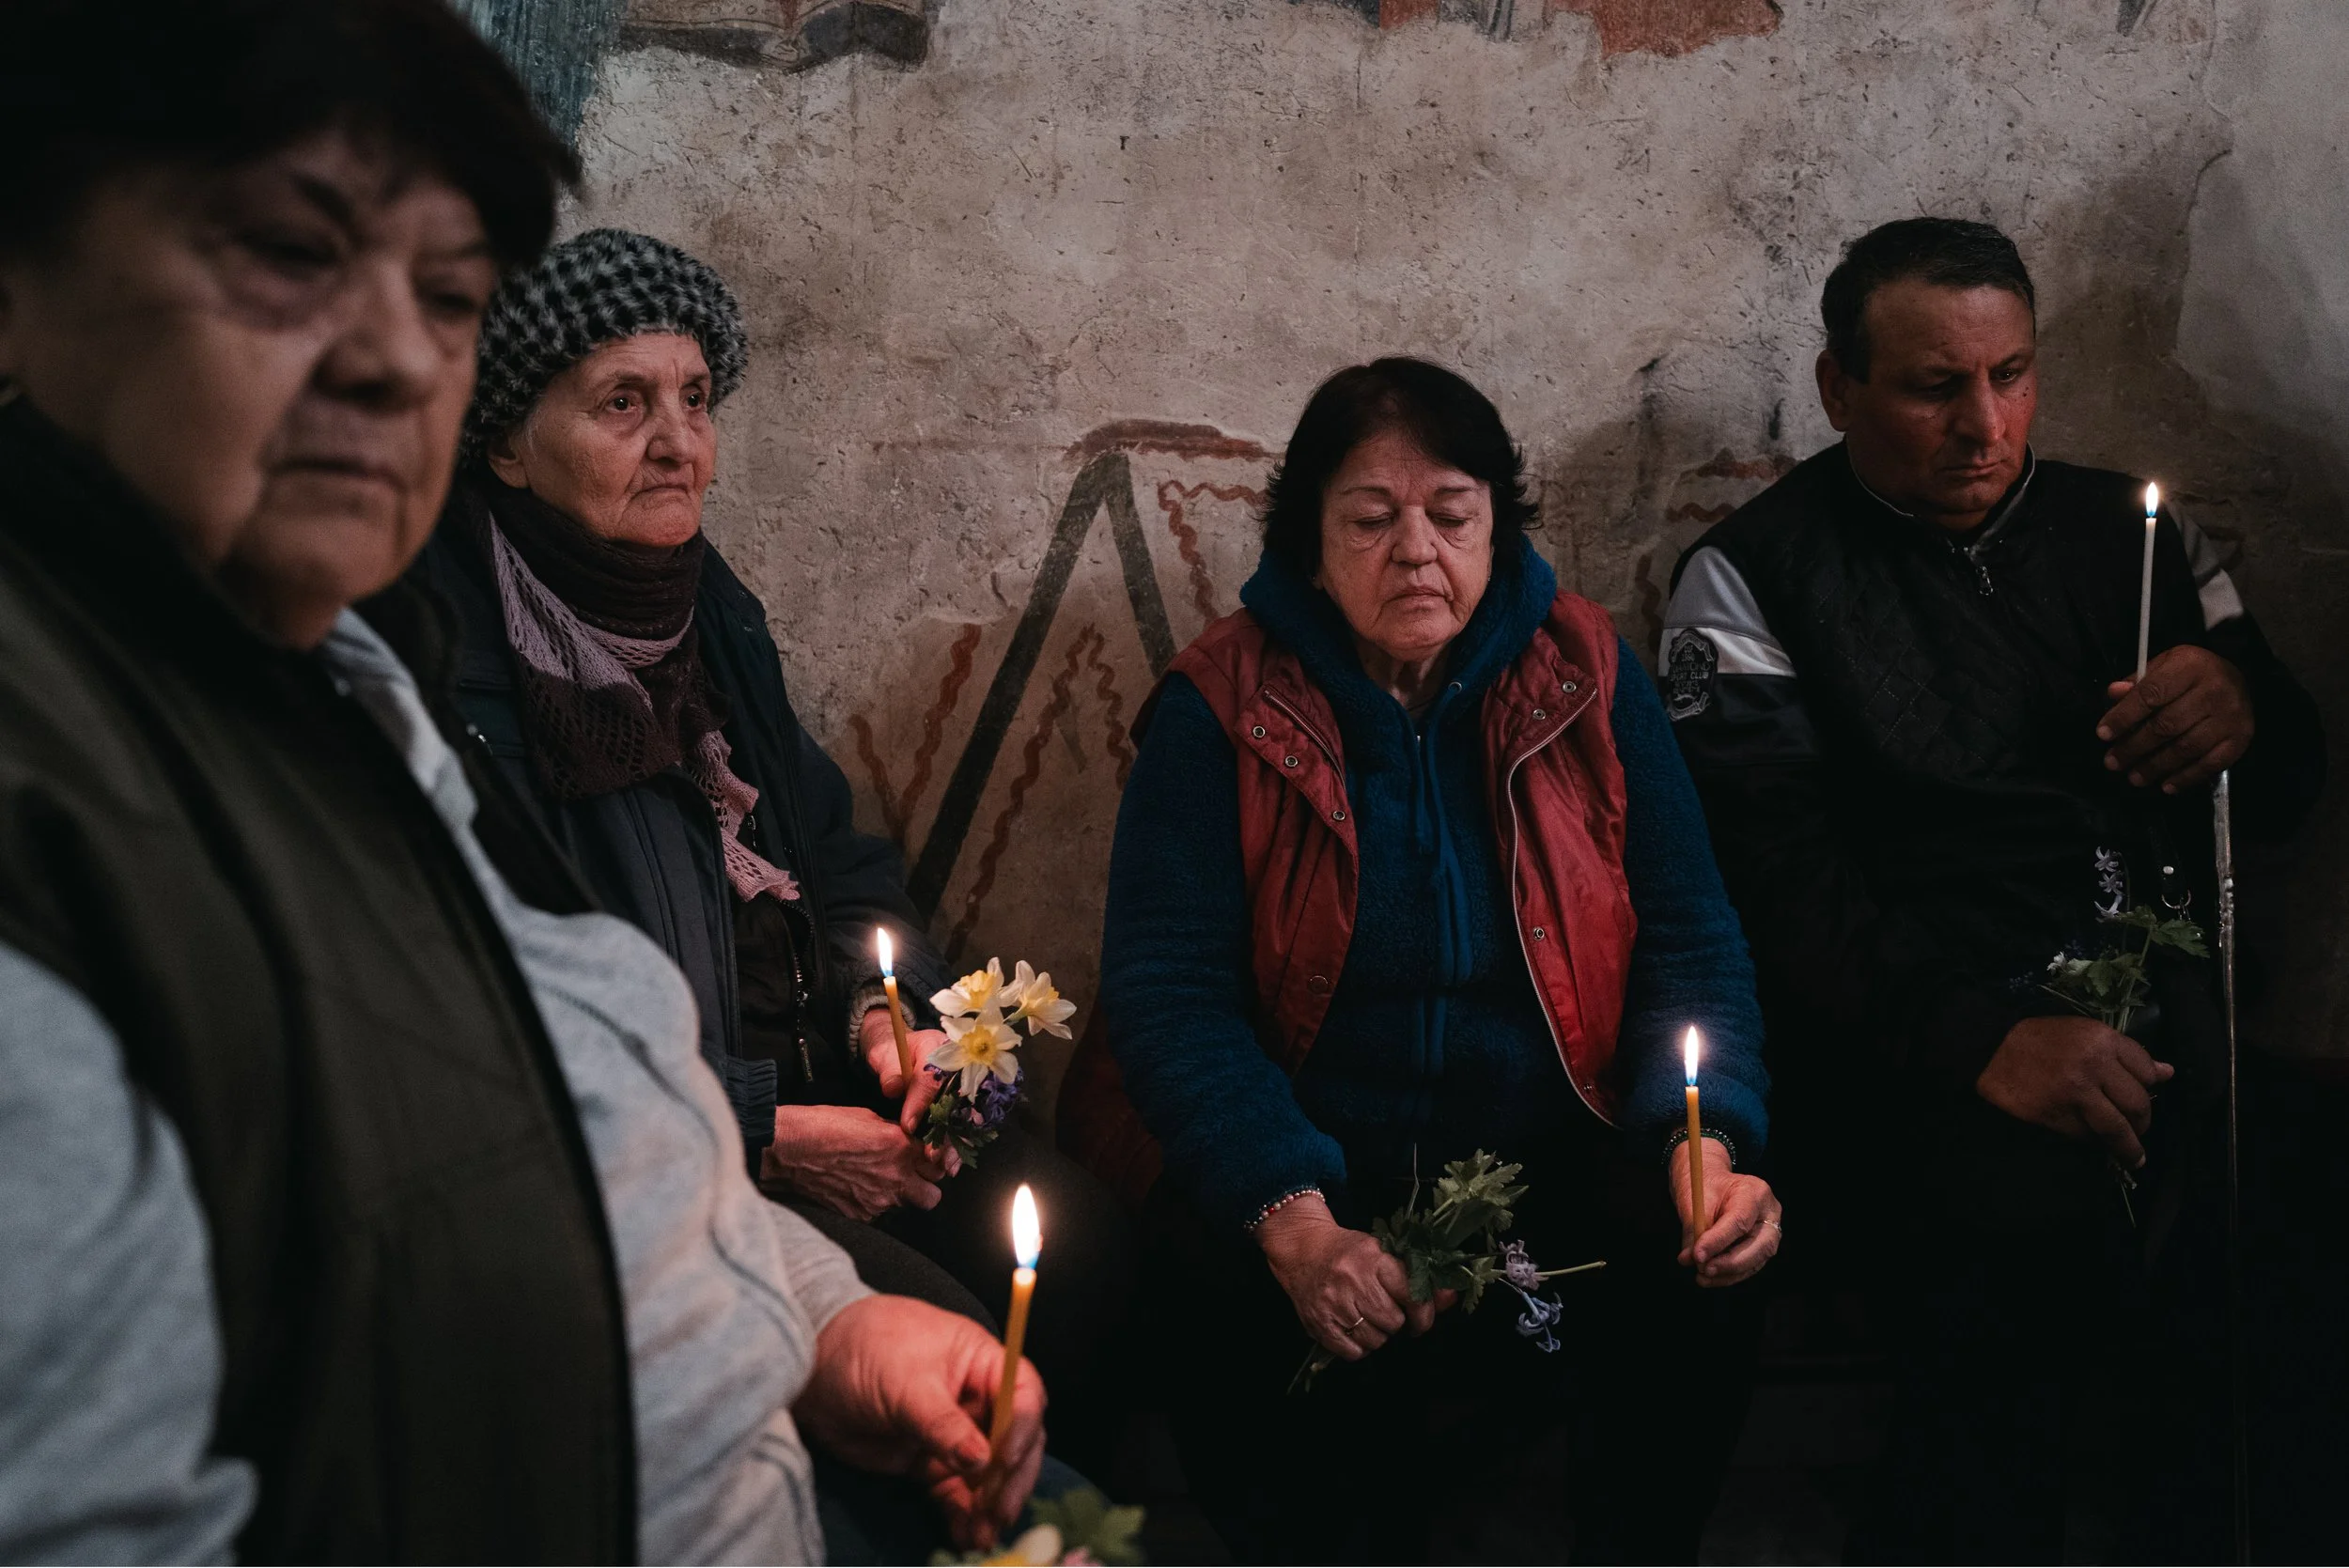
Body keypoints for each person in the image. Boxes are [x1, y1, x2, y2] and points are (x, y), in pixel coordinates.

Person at [0, 2, 1044, 1560]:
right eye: (292, 253)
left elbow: (559, 1075)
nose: (391, 360)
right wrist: (777, 1146)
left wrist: (817, 1322)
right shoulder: (85, 783)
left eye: (448, 296)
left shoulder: (336, 685)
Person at [412, 226, 1134, 1473]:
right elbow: (505, 1023)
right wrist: (767, 1130)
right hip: (678, 1146)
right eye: (622, 403)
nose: (677, 440)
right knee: (956, 1355)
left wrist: (879, 1012)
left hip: (825, 1080)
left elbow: (834, 853)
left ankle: (1056, 1525)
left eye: (695, 400)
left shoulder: (703, 610)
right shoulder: (467, 674)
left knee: (1092, 1259)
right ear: (505, 446)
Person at [1658, 217, 2326, 1562]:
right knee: (2019, 1255)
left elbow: (2298, 796)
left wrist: (2244, 707)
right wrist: (1983, 1043)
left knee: (2303, 1209)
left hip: (2169, 1026)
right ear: (1840, 388)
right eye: (1933, 387)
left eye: (2011, 376)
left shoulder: (2131, 539)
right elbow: (1773, 893)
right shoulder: (1754, 576)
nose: (1985, 426)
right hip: (1909, 1057)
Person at [1081, 358, 1783, 1562]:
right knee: (1218, 1282)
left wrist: (1702, 1137)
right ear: (1308, 541)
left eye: (1451, 516)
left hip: (1541, 1146)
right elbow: (1169, 998)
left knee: (1703, 1254)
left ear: (1496, 528)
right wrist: (1296, 1221)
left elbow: (1690, 935)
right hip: (1305, 1160)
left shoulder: (1586, 678)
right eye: (1371, 519)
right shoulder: (1220, 708)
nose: (1417, 551)